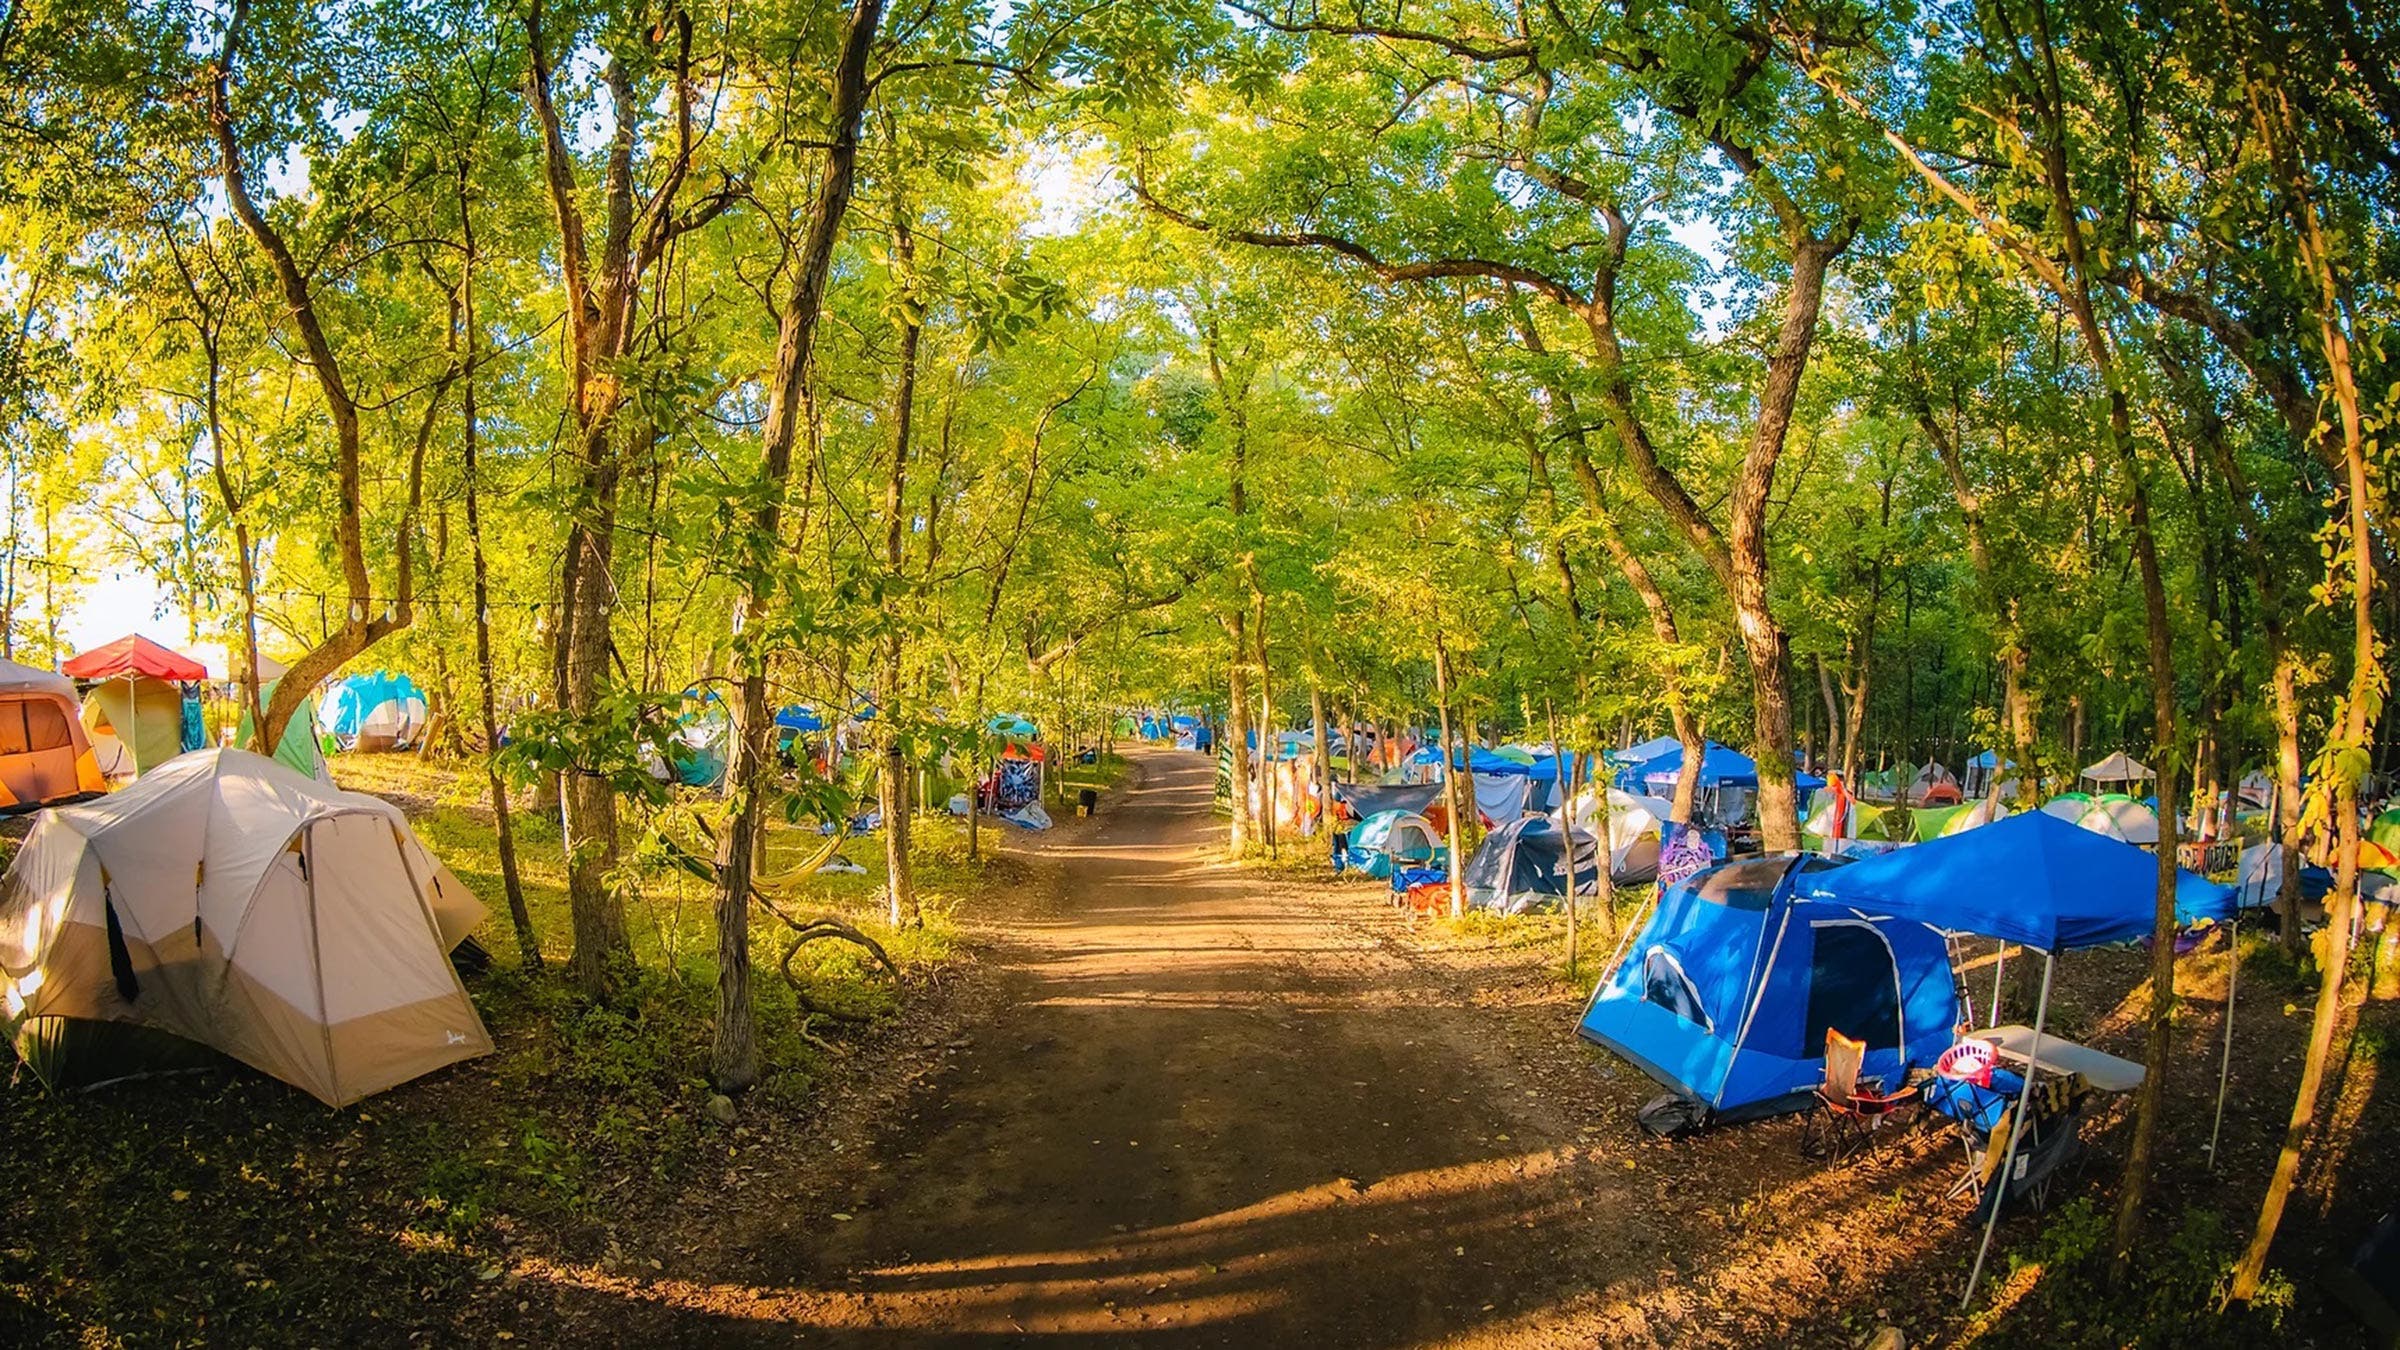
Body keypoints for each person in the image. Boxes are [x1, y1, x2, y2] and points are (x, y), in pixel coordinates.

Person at [1329, 794, 1357, 874]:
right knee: (1340, 848)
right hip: (1342, 829)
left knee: (1343, 848)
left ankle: (1342, 866)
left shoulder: (1345, 806)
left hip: (1345, 828)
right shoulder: (1339, 807)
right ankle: (1340, 866)